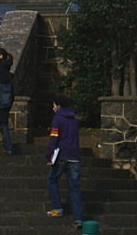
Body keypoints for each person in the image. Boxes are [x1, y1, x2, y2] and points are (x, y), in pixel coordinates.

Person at [46, 94, 83, 227]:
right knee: (75, 188)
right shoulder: (74, 120)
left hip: (61, 154)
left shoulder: (58, 119)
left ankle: (57, 207)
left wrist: (49, 155)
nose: (53, 108)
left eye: (54, 105)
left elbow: (54, 138)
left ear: (58, 106)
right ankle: (78, 218)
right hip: (75, 156)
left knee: (52, 180)